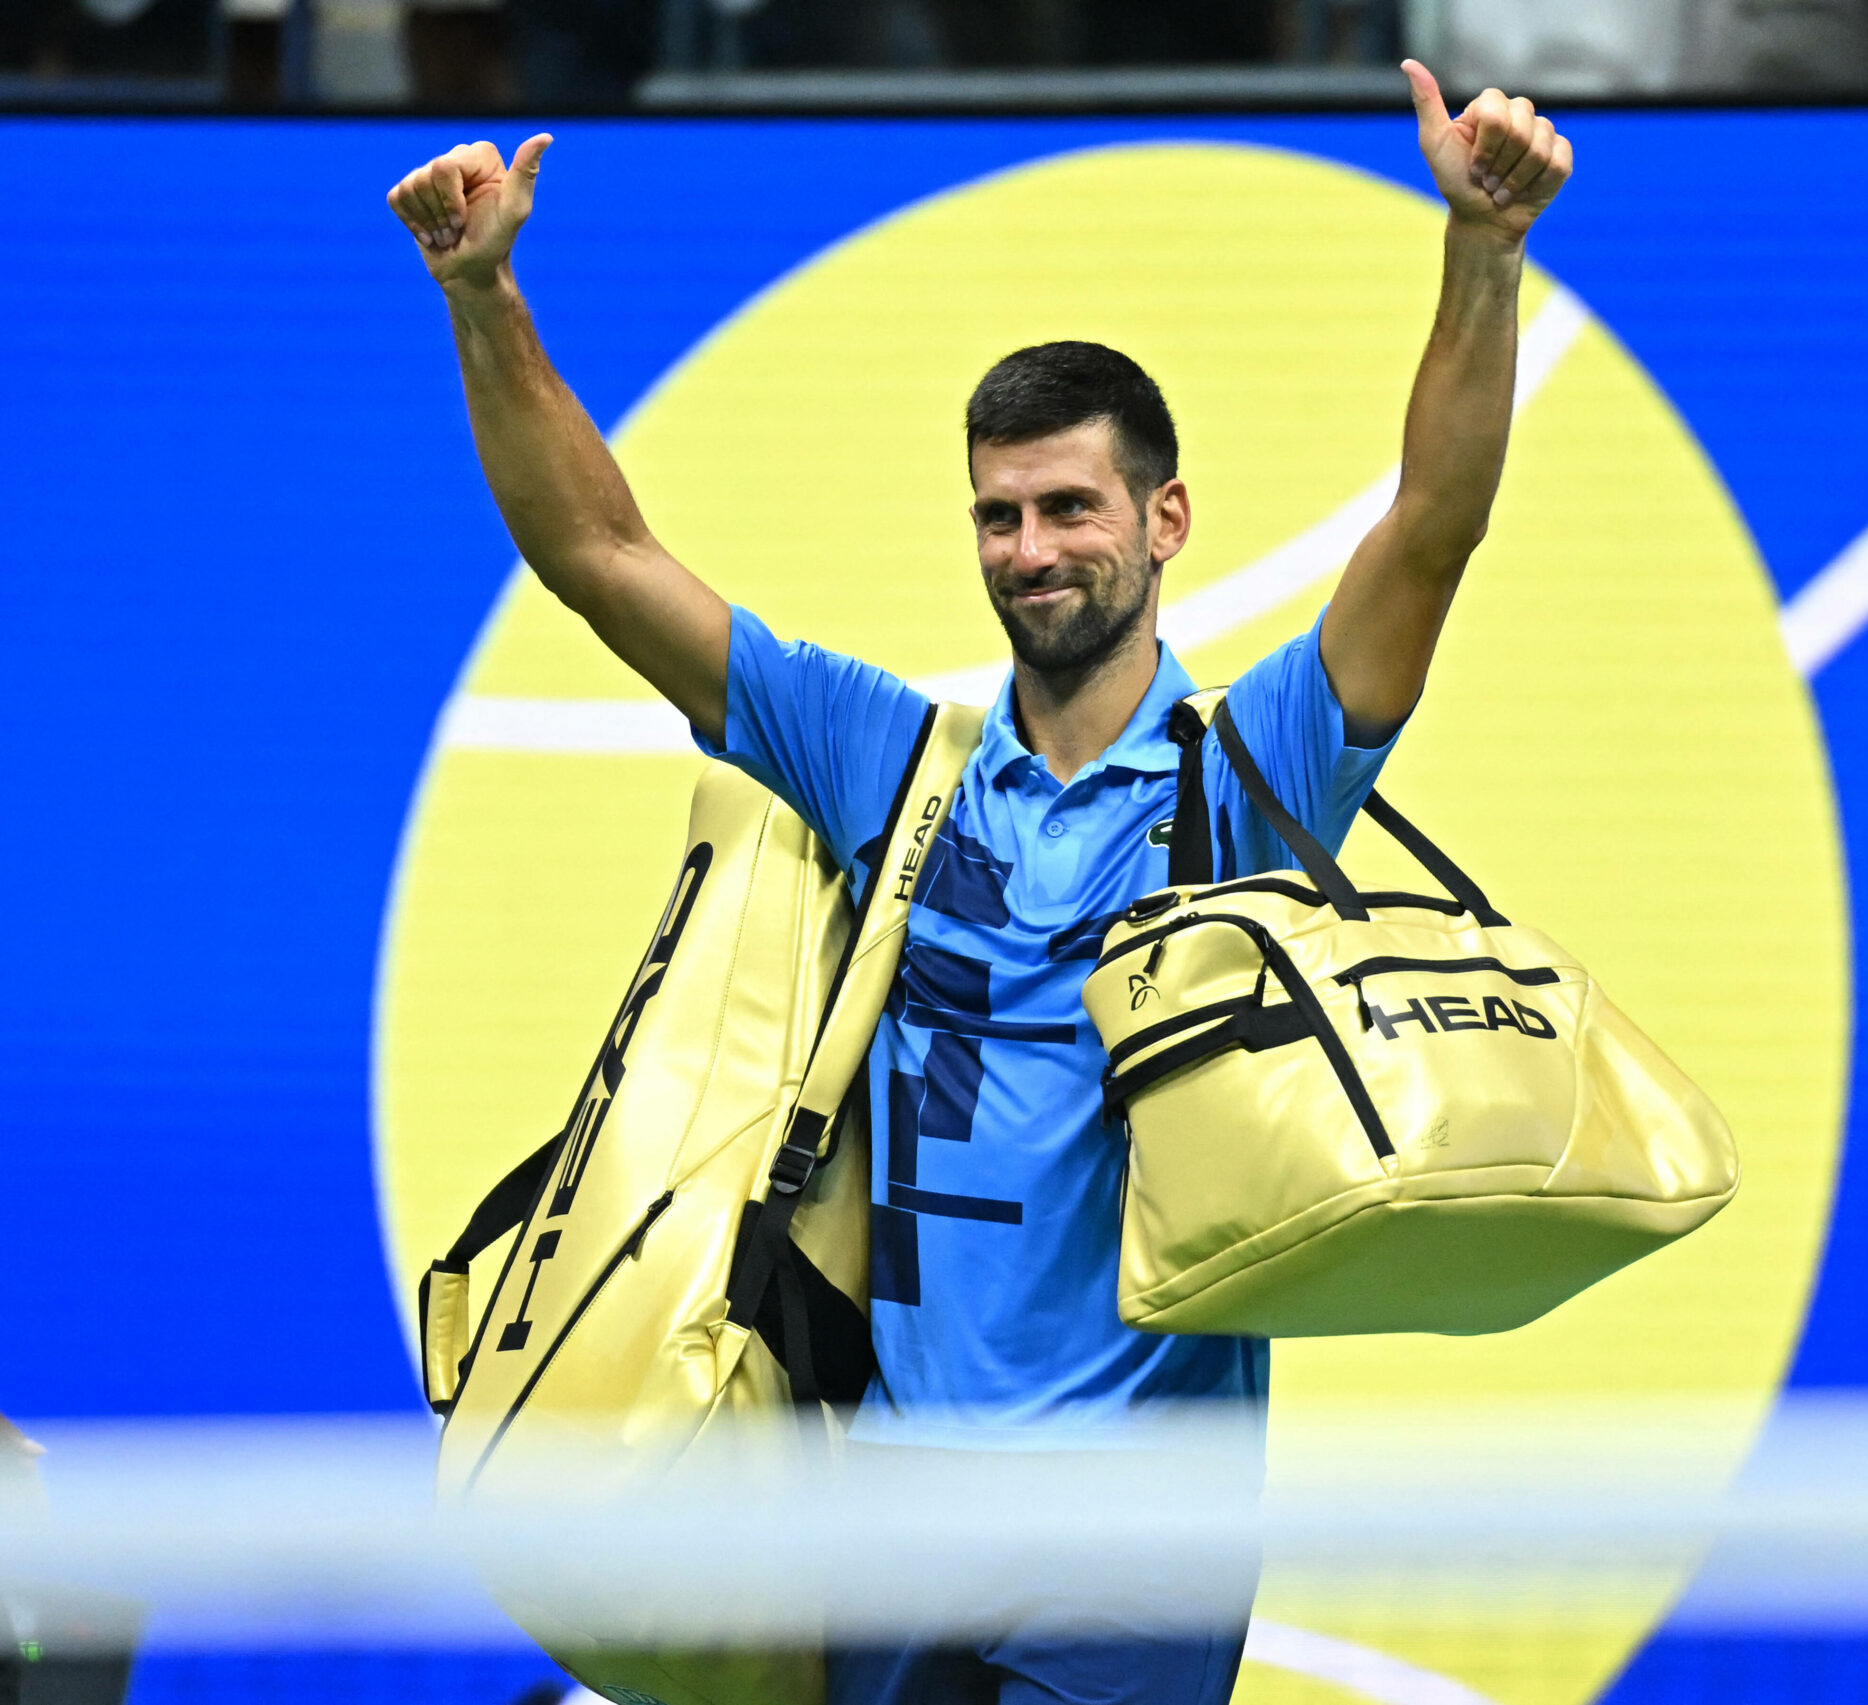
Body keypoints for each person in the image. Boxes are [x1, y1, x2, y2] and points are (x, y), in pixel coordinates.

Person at [385, 65, 1571, 1705]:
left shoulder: (1250, 776)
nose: (1031, 548)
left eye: (1070, 506)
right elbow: (600, 556)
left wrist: (1485, 246)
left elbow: (1434, 524)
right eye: (999, 516)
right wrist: (486, 299)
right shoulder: (892, 764)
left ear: (1165, 521)